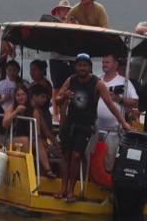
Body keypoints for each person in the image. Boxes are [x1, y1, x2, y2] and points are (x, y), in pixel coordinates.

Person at [55, 54, 129, 202]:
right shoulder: (71, 80)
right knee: (66, 155)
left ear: (90, 67)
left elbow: (110, 104)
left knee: (76, 155)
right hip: (71, 123)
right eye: (79, 65)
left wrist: (124, 123)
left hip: (86, 125)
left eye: (85, 65)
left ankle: (71, 190)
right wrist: (65, 97)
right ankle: (63, 189)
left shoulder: (97, 83)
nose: (82, 68)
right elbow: (57, 99)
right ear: (76, 67)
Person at [94, 54, 138, 135]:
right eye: (103, 62)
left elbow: (136, 103)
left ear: (115, 64)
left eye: (107, 62)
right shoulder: (97, 79)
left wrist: (119, 100)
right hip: (95, 129)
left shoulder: (124, 82)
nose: (104, 64)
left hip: (114, 131)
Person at [45, 0, 76, 87]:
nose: (65, 12)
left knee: (71, 87)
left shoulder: (76, 25)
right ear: (58, 12)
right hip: (56, 60)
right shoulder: (52, 25)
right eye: (62, 10)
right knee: (57, 86)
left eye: (67, 10)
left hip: (71, 60)